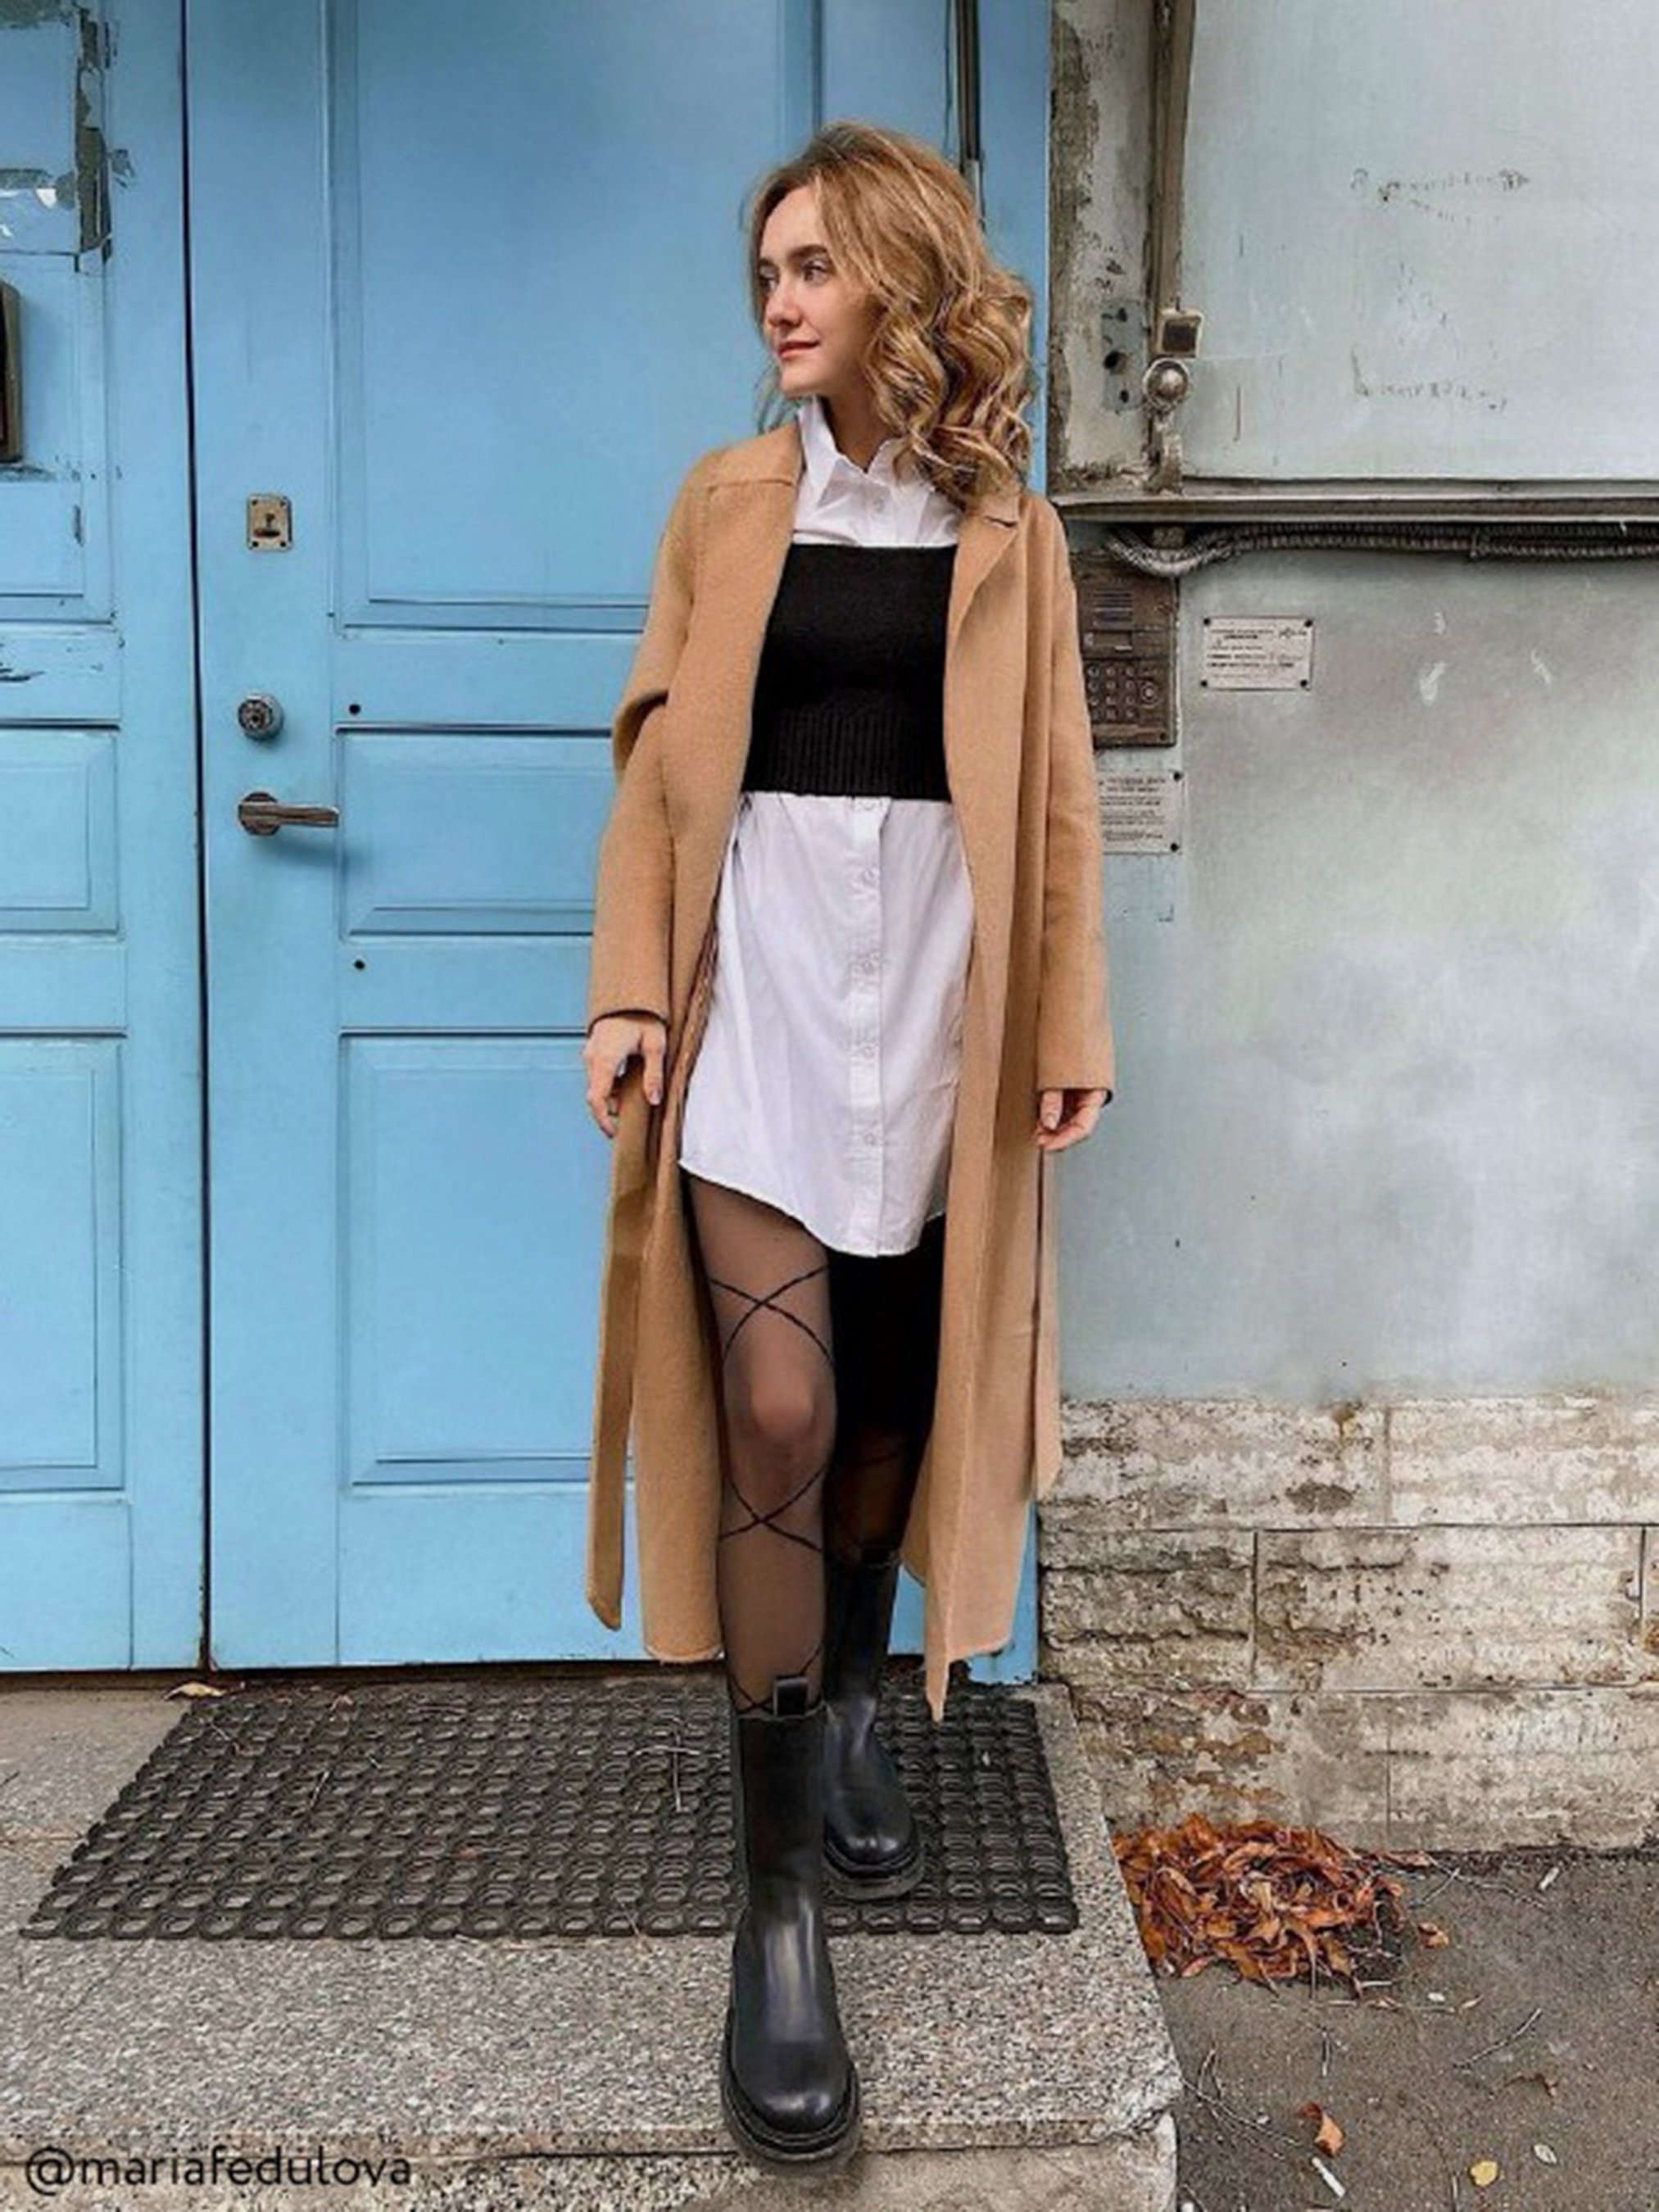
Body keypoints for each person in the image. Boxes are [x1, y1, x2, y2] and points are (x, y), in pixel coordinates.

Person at [582, 120, 1113, 2175]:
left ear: (901, 273)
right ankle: (777, 1915)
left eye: (812, 265)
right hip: (764, 1011)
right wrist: (630, 988)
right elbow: (653, 764)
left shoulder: (1011, 530)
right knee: (781, 1413)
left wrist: (1065, 1025)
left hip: (942, 1018)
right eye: (767, 274)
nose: (780, 302)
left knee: (889, 1408)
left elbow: (1052, 795)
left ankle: (862, 1698)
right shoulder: (726, 503)